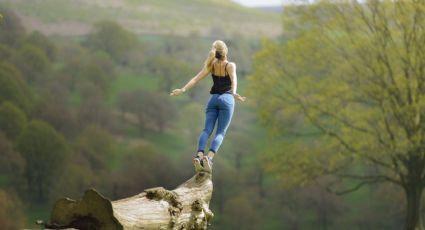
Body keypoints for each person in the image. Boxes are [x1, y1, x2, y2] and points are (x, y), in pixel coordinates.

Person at [170, 40, 246, 172]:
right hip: (226, 99)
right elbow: (234, 80)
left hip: (213, 100)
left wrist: (182, 90)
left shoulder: (212, 65)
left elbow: (195, 79)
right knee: (220, 132)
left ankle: (199, 155)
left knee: (206, 130)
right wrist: (234, 94)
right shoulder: (230, 65)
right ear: (225, 51)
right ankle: (209, 158)